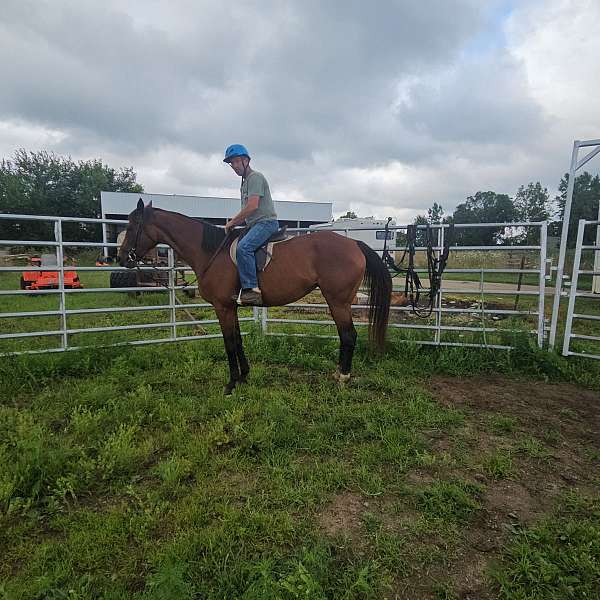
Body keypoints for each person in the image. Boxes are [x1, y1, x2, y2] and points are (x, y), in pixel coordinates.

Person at [223, 144, 279, 306]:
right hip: (254, 224)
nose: (234, 166)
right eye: (231, 163)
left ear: (246, 160)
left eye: (236, 162)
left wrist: (233, 222)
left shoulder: (255, 177)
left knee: (244, 248)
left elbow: (252, 206)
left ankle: (251, 290)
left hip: (265, 223)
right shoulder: (245, 182)